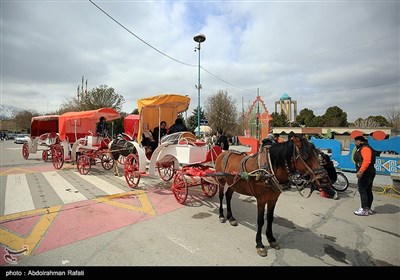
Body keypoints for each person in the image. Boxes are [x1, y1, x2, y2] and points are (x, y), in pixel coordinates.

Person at [353, 135, 376, 216]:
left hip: (366, 172)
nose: (355, 143)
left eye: (355, 142)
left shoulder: (365, 148)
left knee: (362, 189)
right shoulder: (365, 147)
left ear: (358, 141)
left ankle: (363, 209)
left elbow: (367, 161)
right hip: (369, 171)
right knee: (368, 190)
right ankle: (367, 208)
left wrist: (361, 171)